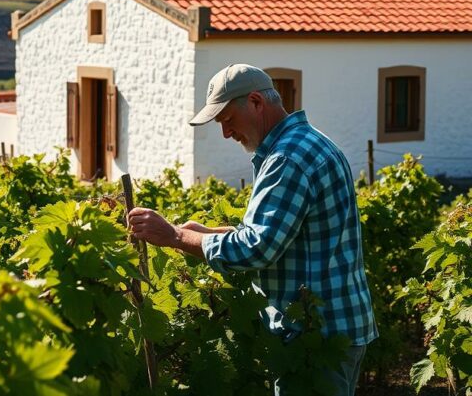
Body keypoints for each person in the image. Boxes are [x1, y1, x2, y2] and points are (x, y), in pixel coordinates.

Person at [127, 63, 377, 395]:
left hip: (315, 337)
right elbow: (282, 236)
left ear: (257, 102)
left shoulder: (288, 158)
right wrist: (210, 234)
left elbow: (257, 248)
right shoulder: (308, 143)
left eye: (227, 120)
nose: (226, 133)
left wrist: (175, 236)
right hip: (331, 329)